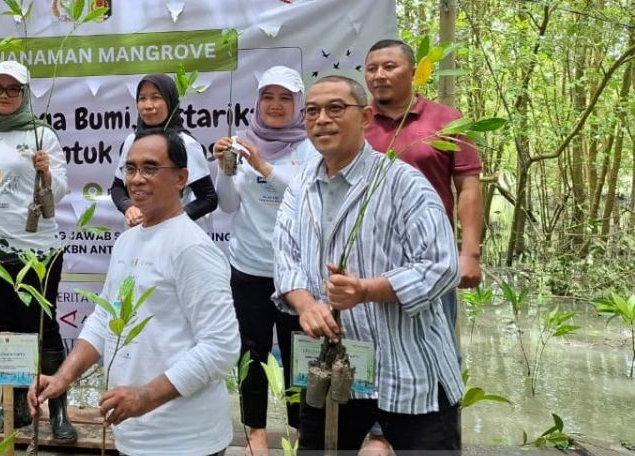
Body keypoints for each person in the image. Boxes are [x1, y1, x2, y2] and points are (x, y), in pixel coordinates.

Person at [273, 75, 463, 452]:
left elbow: (441, 266)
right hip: (334, 368)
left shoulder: (402, 183)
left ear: (365, 117)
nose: (321, 119)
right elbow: (285, 254)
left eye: (335, 108)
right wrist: (306, 304)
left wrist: (366, 290)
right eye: (312, 111)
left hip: (409, 369)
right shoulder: (300, 186)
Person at [30, 130, 240, 456]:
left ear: (181, 178)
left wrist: (146, 396)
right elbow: (106, 319)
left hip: (186, 442)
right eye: (130, 169)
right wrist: (62, 379)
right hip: (133, 436)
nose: (137, 179)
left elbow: (222, 347)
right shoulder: (127, 242)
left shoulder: (192, 247)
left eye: (150, 168)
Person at [361, 39, 483, 456]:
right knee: (370, 345)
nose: (379, 75)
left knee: (438, 346)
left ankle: (438, 435)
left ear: (414, 72)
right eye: (372, 68)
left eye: (389, 66)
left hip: (429, 262)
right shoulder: (358, 123)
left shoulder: (446, 121)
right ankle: (378, 434)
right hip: (369, 258)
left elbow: (467, 188)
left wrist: (469, 253)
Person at [0, 60, 78, 443]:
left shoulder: (43, 136)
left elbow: (58, 194)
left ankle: (57, 410)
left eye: (13, 89)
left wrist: (47, 173)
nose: (4, 96)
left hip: (35, 250)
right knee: (5, 329)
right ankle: (14, 407)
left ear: (25, 93)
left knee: (43, 328)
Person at [212, 66, 316, 454]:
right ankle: (255, 430)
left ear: (298, 104)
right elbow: (228, 204)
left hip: (298, 273)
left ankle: (298, 429)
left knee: (297, 353)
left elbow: (307, 200)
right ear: (257, 102)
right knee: (252, 352)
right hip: (248, 268)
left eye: (285, 98)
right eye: (268, 97)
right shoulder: (242, 143)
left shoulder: (310, 146)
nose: (275, 105)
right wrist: (224, 167)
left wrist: (263, 167)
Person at [109, 73, 216, 226]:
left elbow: (208, 198)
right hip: (137, 233)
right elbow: (117, 187)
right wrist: (128, 207)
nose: (148, 105)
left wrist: (171, 219)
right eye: (142, 98)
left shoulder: (186, 144)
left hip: (174, 236)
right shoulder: (132, 140)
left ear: (170, 101)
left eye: (156, 97)